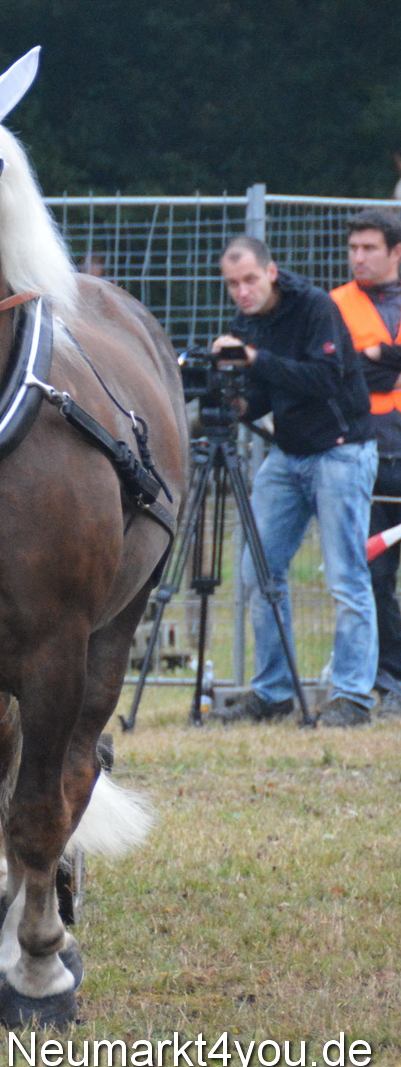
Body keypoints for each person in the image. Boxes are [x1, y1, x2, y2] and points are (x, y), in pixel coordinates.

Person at [207, 236, 378, 727]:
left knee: (346, 577)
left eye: (249, 280)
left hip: (340, 452)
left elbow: (325, 378)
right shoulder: (249, 323)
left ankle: (352, 697)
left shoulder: (316, 307)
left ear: (271, 272)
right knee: (258, 570)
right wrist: (235, 405)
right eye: (232, 284)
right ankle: (273, 691)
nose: (242, 292)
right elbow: (268, 391)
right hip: (289, 453)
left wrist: (254, 360)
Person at [329, 209, 401, 717]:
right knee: (373, 574)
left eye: (369, 248)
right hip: (370, 453)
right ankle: (388, 678)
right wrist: (376, 360)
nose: (359, 257)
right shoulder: (335, 305)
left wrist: (378, 357)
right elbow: (340, 371)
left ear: (396, 253)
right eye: (353, 248)